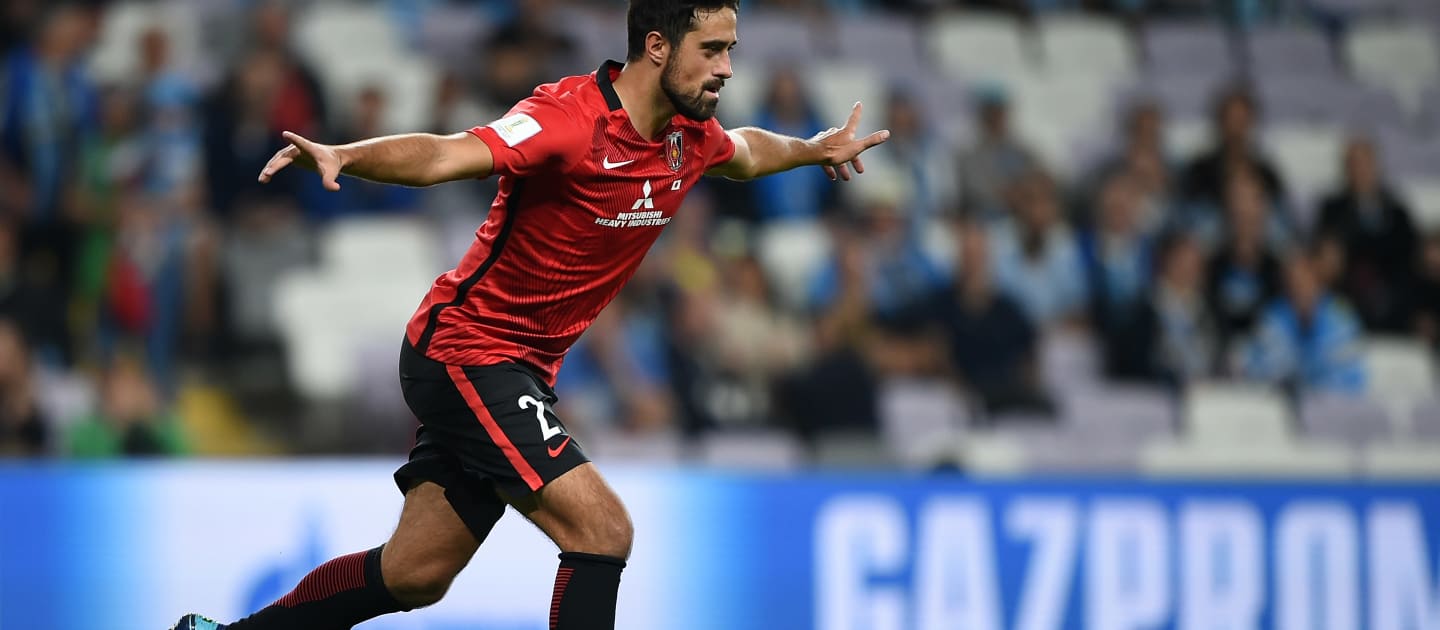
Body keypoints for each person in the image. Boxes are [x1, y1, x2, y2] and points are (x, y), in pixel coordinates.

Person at [171, 2, 888, 629]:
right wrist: (344, 155)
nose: (727, 67)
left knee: (415, 573)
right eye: (713, 49)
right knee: (602, 530)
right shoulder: (568, 118)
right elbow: (446, 155)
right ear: (658, 46)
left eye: (730, 49)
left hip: (519, 371)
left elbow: (749, 152)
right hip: (467, 350)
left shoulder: (688, 136)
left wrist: (811, 150)